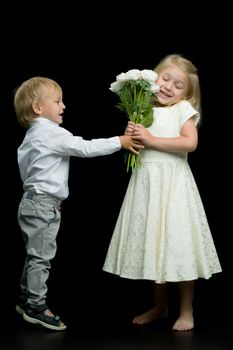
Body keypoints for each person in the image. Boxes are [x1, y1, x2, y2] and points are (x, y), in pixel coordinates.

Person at [103, 54, 222, 331]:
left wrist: (152, 139)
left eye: (178, 85)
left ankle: (186, 309)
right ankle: (159, 306)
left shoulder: (183, 110)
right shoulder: (143, 107)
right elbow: (135, 141)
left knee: (178, 247)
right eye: (165, 78)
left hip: (174, 187)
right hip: (147, 184)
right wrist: (132, 135)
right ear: (154, 77)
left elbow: (190, 142)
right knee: (155, 244)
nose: (169, 87)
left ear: (188, 93)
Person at [14, 76, 143, 331]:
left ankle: (26, 298)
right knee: (41, 258)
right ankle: (36, 306)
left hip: (30, 202)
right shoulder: (50, 132)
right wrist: (120, 141)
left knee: (34, 256)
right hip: (43, 205)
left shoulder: (31, 136)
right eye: (58, 101)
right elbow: (84, 148)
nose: (63, 106)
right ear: (38, 108)